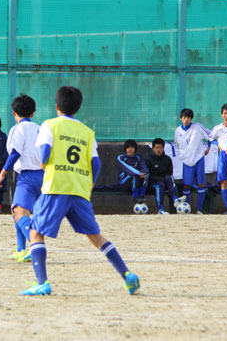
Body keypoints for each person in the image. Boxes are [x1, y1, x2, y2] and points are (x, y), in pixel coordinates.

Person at [21, 86, 139, 296]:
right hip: (79, 189)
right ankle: (127, 275)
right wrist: (90, 185)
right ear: (78, 108)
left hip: (56, 187)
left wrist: (43, 162)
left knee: (35, 233)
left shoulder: (50, 125)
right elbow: (96, 164)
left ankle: (42, 282)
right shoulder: (87, 132)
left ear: (57, 107)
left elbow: (45, 154)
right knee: (95, 237)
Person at [0, 95, 43, 263]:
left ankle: (34, 243)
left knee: (19, 211)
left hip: (27, 177)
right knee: (18, 211)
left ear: (14, 113)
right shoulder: (41, 128)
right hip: (44, 176)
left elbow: (15, 153)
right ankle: (21, 250)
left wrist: (2, 174)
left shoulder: (17, 129)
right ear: (33, 113)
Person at [174, 108, 211, 214]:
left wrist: (208, 147)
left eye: (188, 118)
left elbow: (210, 136)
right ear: (181, 118)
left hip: (198, 158)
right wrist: (181, 156)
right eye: (184, 117)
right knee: (186, 185)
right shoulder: (177, 131)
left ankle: (199, 209)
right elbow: (177, 145)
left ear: (191, 119)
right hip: (186, 160)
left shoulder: (197, 127)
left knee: (201, 184)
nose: (186, 120)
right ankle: (187, 208)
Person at [145, 138, 186, 214]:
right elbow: (148, 175)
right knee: (160, 185)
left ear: (163, 148)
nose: (158, 150)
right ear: (153, 148)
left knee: (169, 178)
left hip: (165, 181)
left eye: (160, 148)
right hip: (153, 183)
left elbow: (169, 173)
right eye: (156, 148)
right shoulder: (148, 159)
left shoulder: (167, 159)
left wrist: (163, 178)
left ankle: (175, 199)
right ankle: (160, 208)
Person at [116, 139, 148, 204]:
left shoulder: (138, 157)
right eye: (128, 147)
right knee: (135, 175)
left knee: (145, 175)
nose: (130, 149)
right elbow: (129, 170)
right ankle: (135, 197)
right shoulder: (121, 158)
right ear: (125, 149)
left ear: (135, 149)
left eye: (132, 147)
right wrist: (138, 174)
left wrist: (143, 173)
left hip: (136, 182)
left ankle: (142, 196)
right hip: (124, 182)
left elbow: (145, 169)